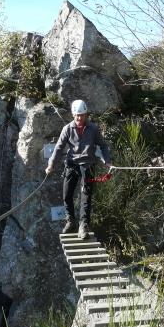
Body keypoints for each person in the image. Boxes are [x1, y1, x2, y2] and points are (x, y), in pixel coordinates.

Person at [45, 100, 112, 239]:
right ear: (73, 115)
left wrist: (107, 160)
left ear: (86, 114)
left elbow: (103, 146)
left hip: (88, 164)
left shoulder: (93, 129)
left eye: (82, 115)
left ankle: (83, 225)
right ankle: (70, 221)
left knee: (86, 196)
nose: (79, 118)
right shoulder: (67, 129)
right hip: (72, 164)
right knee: (67, 194)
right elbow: (58, 148)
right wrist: (51, 164)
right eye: (77, 115)